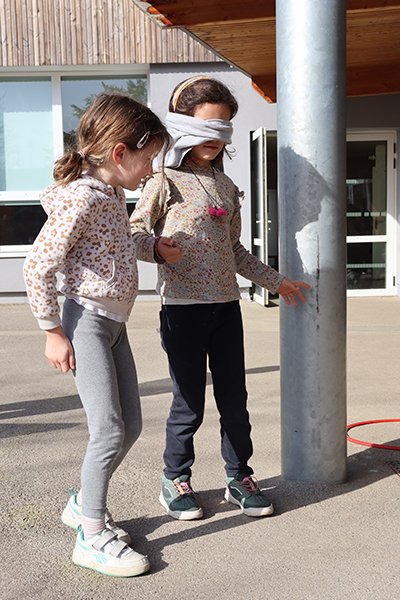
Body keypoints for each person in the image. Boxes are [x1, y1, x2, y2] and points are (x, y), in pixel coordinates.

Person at [130, 76, 310, 521]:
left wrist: (277, 282)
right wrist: (156, 249)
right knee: (188, 403)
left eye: (223, 128)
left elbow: (235, 251)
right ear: (183, 126)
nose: (215, 138)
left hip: (226, 308)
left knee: (234, 400)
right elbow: (132, 234)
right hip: (182, 310)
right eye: (206, 127)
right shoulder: (163, 180)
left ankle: (239, 478)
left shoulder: (227, 187)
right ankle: (175, 479)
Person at [23, 93, 170, 577]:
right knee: (107, 430)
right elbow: (37, 266)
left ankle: (82, 504)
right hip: (85, 322)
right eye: (148, 159)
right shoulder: (82, 198)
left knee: (131, 425)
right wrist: (52, 331)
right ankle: (90, 536)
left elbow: (116, 244)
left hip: (113, 324)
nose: (151, 171)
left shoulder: (111, 194)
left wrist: (155, 247)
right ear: (120, 153)